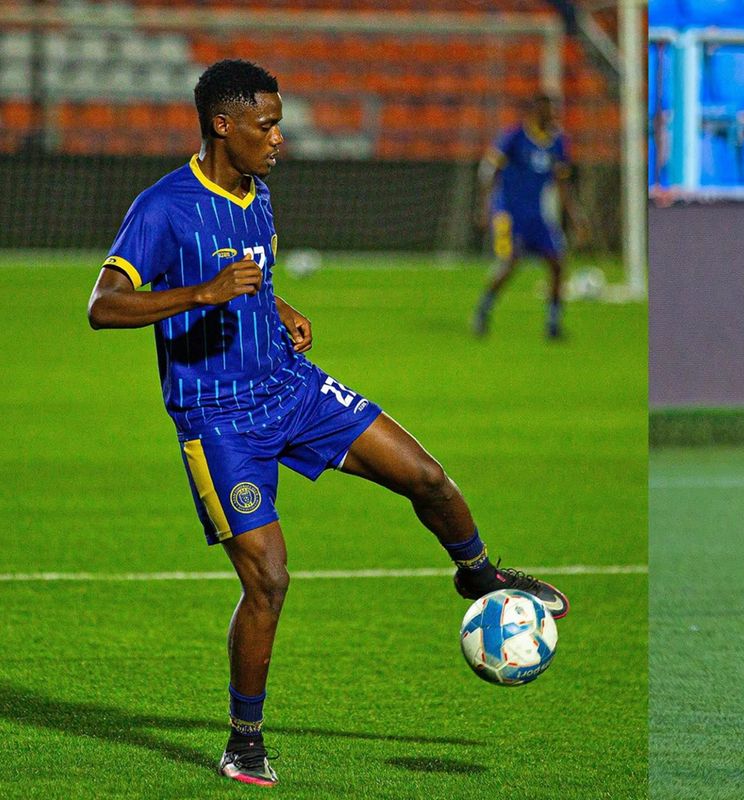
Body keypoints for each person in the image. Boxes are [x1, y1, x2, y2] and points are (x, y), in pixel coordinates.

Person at [87, 60, 569, 788]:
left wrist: (278, 309)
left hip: (292, 388)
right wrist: (201, 293)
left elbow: (252, 279)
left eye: (279, 124)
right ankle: (244, 741)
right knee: (269, 580)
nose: (279, 138)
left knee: (427, 478)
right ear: (223, 125)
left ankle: (478, 574)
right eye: (267, 125)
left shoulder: (258, 192)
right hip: (219, 421)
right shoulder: (164, 208)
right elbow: (103, 305)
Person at [472, 92, 583, 339]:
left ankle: (553, 324)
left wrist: (575, 217)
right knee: (510, 263)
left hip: (537, 215)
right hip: (509, 212)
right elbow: (489, 170)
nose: (553, 115)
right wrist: (485, 207)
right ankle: (483, 311)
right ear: (536, 111)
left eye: (554, 110)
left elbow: (562, 183)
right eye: (548, 110)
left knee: (557, 263)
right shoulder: (514, 137)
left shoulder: (559, 142)